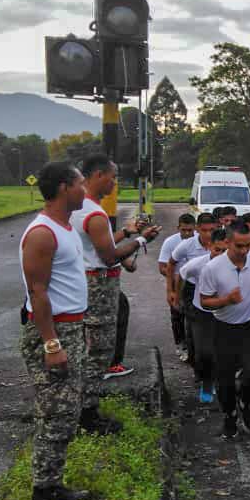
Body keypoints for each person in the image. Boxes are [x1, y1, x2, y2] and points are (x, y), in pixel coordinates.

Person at [18, 162, 92, 500]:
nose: (85, 191)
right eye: (81, 184)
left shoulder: (65, 229)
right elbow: (38, 293)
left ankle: (54, 485)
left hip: (70, 328)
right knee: (54, 418)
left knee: (67, 414)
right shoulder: (42, 233)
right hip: (53, 333)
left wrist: (79, 331)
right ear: (64, 188)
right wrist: (52, 343)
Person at [71, 155, 159, 434]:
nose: (115, 182)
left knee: (90, 348)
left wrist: (124, 232)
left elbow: (98, 245)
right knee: (98, 351)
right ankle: (87, 414)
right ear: (98, 175)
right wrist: (143, 239)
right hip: (98, 285)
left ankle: (83, 406)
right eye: (113, 176)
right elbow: (108, 256)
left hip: (87, 281)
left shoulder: (80, 207)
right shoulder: (92, 212)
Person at [200, 222, 250, 438]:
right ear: (228, 242)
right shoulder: (212, 268)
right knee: (225, 380)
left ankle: (245, 401)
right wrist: (226, 300)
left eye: (247, 246)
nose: (244, 251)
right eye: (239, 246)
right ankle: (229, 414)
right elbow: (205, 302)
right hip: (223, 327)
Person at [180, 228, 229, 403]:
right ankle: (206, 382)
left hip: (226, 312)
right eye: (217, 250)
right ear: (209, 246)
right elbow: (181, 275)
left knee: (225, 351)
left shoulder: (237, 264)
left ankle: (219, 380)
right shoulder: (197, 265)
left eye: (225, 251)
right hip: (202, 312)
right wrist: (178, 297)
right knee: (204, 352)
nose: (221, 255)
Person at [168, 213, 218, 364]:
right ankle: (195, 361)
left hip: (214, 289)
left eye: (211, 230)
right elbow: (171, 264)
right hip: (191, 288)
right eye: (204, 230)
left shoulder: (221, 243)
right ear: (197, 229)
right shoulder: (187, 245)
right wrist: (171, 291)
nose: (208, 234)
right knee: (193, 326)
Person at [158, 214, 196, 360]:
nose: (187, 234)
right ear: (178, 228)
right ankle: (181, 344)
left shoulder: (200, 240)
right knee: (177, 314)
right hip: (177, 283)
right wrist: (174, 281)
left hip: (195, 284)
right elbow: (162, 266)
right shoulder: (170, 242)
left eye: (190, 230)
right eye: (183, 230)